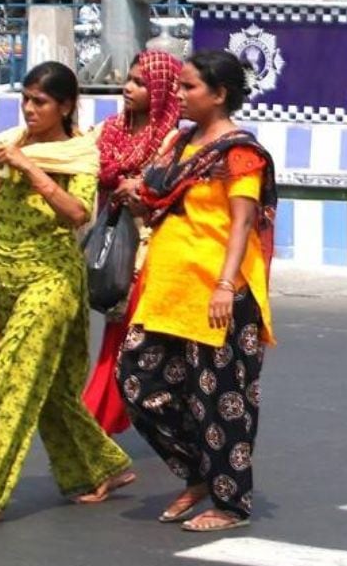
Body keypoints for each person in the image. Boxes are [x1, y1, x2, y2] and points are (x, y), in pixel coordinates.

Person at [0, 61, 136, 529]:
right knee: (50, 392)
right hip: (6, 281)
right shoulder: (10, 145)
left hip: (51, 284)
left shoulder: (76, 154)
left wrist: (32, 170)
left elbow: (78, 212)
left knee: (11, 386)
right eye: (26, 99)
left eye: (41, 102)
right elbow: (3, 214)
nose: (29, 109)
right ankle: (101, 466)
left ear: (65, 106)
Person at [114, 49, 278, 532]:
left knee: (221, 397)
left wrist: (226, 284)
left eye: (190, 88)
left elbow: (243, 221)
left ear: (220, 94)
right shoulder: (179, 145)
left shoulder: (239, 153)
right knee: (138, 384)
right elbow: (161, 207)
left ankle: (230, 502)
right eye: (180, 87)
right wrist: (136, 200)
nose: (179, 95)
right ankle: (199, 473)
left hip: (220, 291)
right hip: (169, 289)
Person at [81, 50, 184, 435]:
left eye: (140, 82)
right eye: (129, 78)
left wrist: (140, 189)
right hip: (116, 247)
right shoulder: (108, 130)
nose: (128, 87)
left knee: (131, 343)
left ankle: (97, 424)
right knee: (120, 336)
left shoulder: (174, 140)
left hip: (155, 251)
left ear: (160, 90)